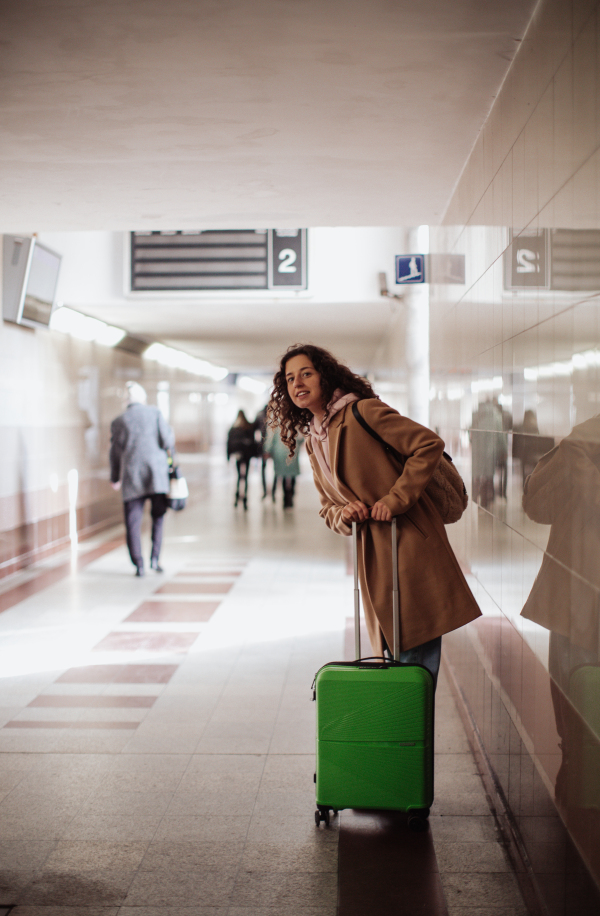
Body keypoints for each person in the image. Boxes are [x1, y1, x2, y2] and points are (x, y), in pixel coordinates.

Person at [268, 344, 481, 688]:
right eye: (290, 378)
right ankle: (401, 733)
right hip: (374, 554)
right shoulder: (314, 440)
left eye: (306, 373)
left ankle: (409, 736)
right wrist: (344, 514)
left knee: (413, 658)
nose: (297, 383)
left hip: (408, 543)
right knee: (397, 657)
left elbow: (427, 444)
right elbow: (327, 507)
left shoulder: (363, 412)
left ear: (325, 376)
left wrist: (396, 498)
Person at [110, 381, 175, 577]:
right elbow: (167, 441)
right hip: (157, 476)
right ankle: (155, 559)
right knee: (158, 518)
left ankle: (139, 564)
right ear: (143, 398)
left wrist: (115, 477)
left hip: (132, 477)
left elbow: (114, 452)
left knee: (132, 522)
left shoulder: (119, 421)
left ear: (126, 401)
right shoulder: (155, 414)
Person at [227, 410, 258, 510]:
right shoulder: (248, 427)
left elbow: (229, 443)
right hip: (247, 455)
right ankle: (244, 498)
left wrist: (228, 456)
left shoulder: (234, 428)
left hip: (238, 455)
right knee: (246, 477)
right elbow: (253, 441)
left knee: (239, 476)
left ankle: (237, 497)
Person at [266, 425, 303, 508]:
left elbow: (270, 438)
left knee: (282, 474)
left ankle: (285, 497)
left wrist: (267, 449)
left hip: (279, 451)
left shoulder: (276, 422)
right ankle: (291, 495)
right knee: (292, 474)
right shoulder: (296, 421)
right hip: (293, 450)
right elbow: (302, 437)